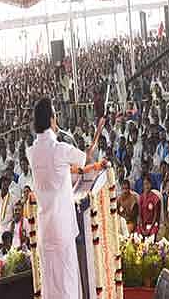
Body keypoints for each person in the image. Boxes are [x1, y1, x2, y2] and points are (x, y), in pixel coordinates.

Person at [27, 97, 104, 299]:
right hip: (61, 228)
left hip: (45, 229)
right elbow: (84, 157)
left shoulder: (32, 152)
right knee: (67, 283)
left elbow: (63, 169)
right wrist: (96, 135)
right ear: (52, 119)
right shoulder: (59, 149)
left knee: (51, 284)